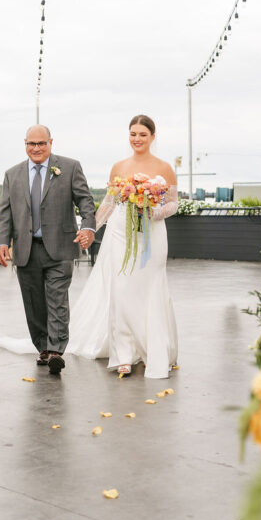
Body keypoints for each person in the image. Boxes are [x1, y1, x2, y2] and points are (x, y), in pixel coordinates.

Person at [67, 115, 179, 378]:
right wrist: (90, 227)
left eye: (142, 134)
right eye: (132, 134)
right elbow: (108, 203)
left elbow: (173, 203)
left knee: (151, 289)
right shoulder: (118, 166)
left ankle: (153, 348)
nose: (136, 139)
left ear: (153, 137)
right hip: (120, 233)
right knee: (121, 291)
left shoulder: (164, 167)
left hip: (152, 234)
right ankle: (124, 355)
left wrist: (154, 212)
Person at [0, 125, 96, 375]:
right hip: (26, 250)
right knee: (34, 303)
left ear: (51, 142)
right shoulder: (13, 174)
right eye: (31, 144)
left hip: (61, 247)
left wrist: (89, 227)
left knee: (57, 299)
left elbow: (85, 200)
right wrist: (2, 242)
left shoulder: (70, 167)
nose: (36, 148)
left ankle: (56, 351)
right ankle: (42, 347)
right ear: (25, 144)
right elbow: (4, 212)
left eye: (41, 143)